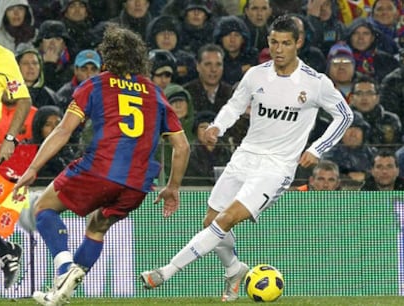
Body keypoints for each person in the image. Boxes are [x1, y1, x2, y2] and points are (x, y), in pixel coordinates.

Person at [140, 15, 353, 301]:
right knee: (211, 222)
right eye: (274, 42)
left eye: (286, 44)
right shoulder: (256, 74)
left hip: (277, 166)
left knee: (226, 220)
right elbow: (235, 105)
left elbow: (345, 115)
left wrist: (317, 148)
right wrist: (217, 125)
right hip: (245, 155)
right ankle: (234, 269)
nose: (279, 49)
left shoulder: (316, 83)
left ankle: (167, 271)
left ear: (298, 44)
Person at [13, 25, 190, 306]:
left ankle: (63, 269)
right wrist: (173, 187)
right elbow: (182, 147)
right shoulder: (155, 93)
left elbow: (62, 131)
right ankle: (60, 294)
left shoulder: (96, 84)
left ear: (106, 57)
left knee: (43, 207)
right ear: (139, 59)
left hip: (100, 169)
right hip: (138, 183)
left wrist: (33, 167)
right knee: (97, 227)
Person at [0, 3, 31, 289]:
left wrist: (10, 139)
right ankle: (6, 252)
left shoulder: (2, 57)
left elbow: (23, 100)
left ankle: (7, 252)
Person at [183, 110, 232, 186]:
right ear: (196, 131)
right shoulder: (189, 153)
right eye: (202, 127)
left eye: (210, 127)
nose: (207, 131)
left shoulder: (227, 153)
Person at [349, 75, 402, 145]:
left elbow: (397, 147)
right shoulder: (342, 120)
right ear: (352, 98)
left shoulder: (391, 120)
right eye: (359, 93)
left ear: (377, 98)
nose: (364, 98)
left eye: (369, 93)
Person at [184, 43, 233, 114]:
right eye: (208, 64)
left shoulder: (231, 94)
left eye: (218, 64)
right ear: (198, 66)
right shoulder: (186, 94)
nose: (213, 69)